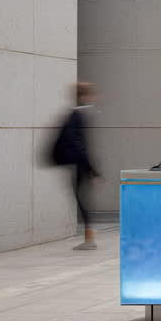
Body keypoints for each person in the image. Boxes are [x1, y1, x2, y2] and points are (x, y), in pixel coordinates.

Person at [51, 82, 101, 250]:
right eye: (90, 94)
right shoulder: (79, 115)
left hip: (78, 164)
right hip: (79, 163)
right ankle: (89, 238)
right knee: (82, 199)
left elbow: (79, 144)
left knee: (81, 199)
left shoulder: (78, 114)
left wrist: (91, 169)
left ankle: (89, 239)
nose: (94, 98)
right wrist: (91, 169)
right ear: (83, 96)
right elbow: (80, 144)